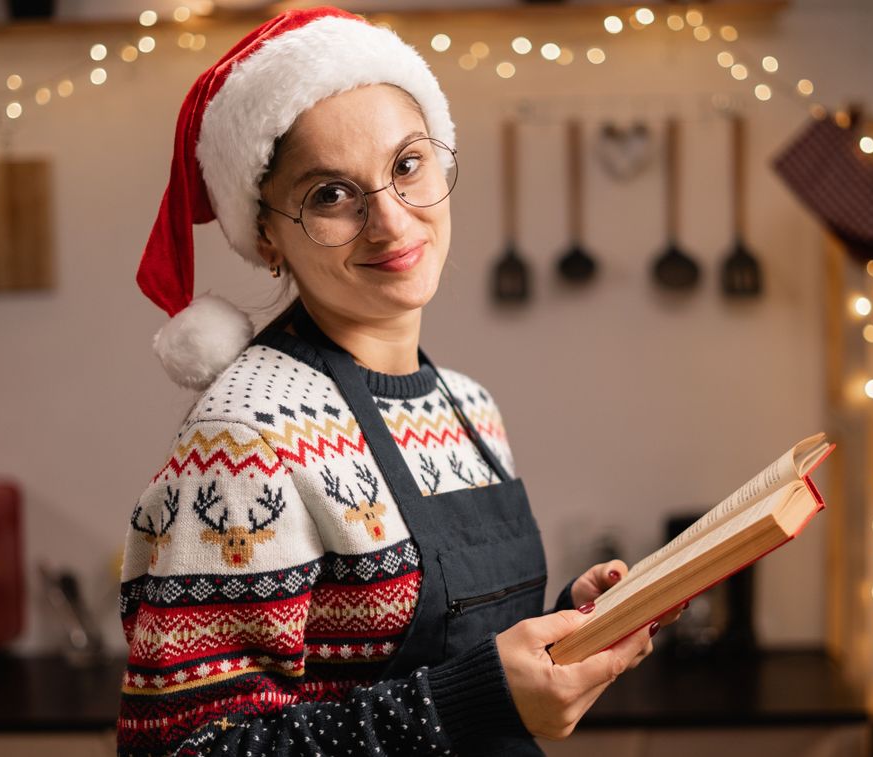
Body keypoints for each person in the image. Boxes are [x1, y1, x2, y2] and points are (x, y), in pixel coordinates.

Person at [121, 8, 681, 756]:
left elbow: (444, 662)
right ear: (264, 234)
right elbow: (186, 747)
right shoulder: (245, 437)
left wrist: (567, 632)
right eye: (330, 194)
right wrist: (477, 700)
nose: (390, 221)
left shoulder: (467, 404)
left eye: (408, 164)